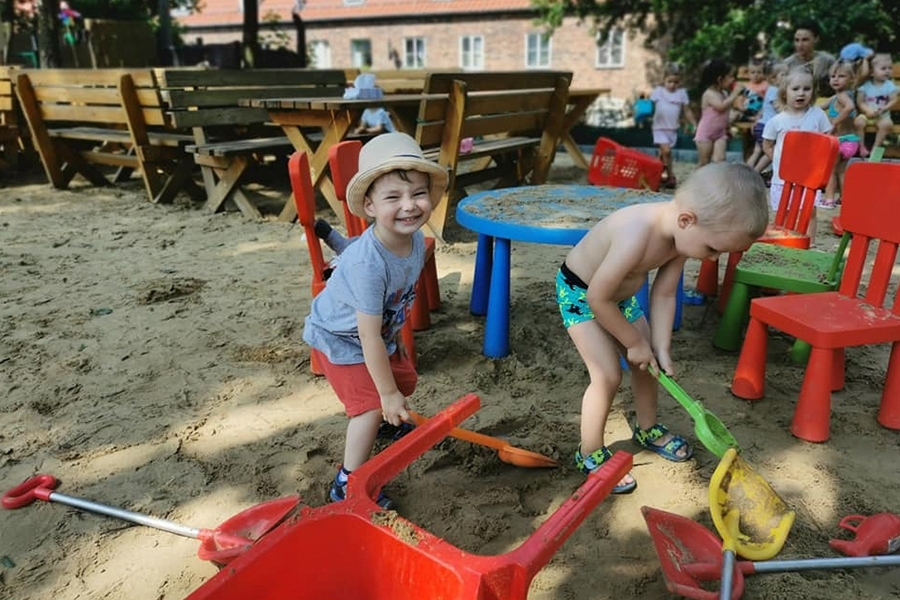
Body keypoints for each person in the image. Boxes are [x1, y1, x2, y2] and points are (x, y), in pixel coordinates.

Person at [556, 162, 769, 493]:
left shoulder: (684, 237)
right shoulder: (637, 232)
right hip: (582, 294)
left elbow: (665, 293)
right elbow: (598, 298)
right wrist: (634, 343)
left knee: (649, 364)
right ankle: (590, 454)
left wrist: (660, 346)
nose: (711, 259)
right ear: (687, 220)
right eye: (712, 249)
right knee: (608, 374)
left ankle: (648, 427)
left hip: (618, 298)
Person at [302, 132, 448, 510]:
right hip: (341, 337)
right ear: (369, 206)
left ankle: (386, 421)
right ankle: (347, 482)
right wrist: (383, 395)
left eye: (418, 193)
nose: (409, 207)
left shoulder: (414, 240)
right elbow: (366, 336)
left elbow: (391, 302)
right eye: (393, 197)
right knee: (369, 405)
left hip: (376, 332)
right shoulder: (369, 263)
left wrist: (394, 344)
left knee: (404, 381)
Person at [762, 67, 832, 242]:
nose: (801, 93)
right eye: (795, 89)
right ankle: (786, 243)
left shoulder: (818, 115)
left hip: (810, 178)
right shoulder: (777, 121)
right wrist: (779, 162)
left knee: (809, 213)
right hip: (782, 179)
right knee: (784, 213)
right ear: (785, 92)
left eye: (806, 89)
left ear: (813, 91)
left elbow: (827, 140)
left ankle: (809, 244)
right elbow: (767, 145)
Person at [649, 62, 696, 188]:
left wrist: (693, 123)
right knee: (667, 151)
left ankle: (657, 174)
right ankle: (671, 176)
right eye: (669, 81)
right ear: (664, 80)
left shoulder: (681, 93)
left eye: (676, 82)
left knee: (664, 154)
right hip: (659, 128)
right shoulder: (658, 92)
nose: (672, 85)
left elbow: (686, 110)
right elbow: (650, 106)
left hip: (672, 129)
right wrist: (645, 114)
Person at [823, 59, 862, 206]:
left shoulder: (841, 96)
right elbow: (819, 108)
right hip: (851, 142)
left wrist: (834, 122)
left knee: (831, 171)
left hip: (839, 142)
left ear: (851, 79)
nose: (835, 79)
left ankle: (829, 199)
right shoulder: (839, 96)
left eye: (841, 76)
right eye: (833, 76)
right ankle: (845, 199)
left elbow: (850, 107)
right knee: (841, 172)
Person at [694, 58, 744, 167]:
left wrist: (728, 126)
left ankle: (716, 181)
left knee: (720, 160)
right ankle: (697, 182)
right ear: (719, 79)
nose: (733, 80)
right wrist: (734, 94)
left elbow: (725, 113)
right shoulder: (709, 94)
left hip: (720, 134)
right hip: (705, 134)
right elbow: (721, 107)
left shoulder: (724, 93)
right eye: (730, 76)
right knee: (704, 162)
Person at [747, 62, 788, 176]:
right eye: (784, 75)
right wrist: (790, 112)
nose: (787, 78)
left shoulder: (770, 89)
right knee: (771, 152)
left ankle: (747, 172)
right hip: (766, 128)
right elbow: (778, 107)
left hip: (761, 125)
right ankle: (755, 173)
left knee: (757, 152)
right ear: (774, 78)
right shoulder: (775, 91)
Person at [855, 53, 898, 158]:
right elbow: (860, 101)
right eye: (883, 68)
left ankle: (875, 149)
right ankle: (862, 147)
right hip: (867, 114)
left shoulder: (890, 86)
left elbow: (894, 100)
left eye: (890, 68)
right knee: (858, 122)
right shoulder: (865, 87)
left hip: (882, 116)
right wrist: (867, 110)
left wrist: (885, 108)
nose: (888, 71)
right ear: (872, 72)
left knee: (886, 125)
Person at [783, 21, 836, 97]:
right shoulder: (787, 64)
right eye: (797, 40)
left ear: (816, 39)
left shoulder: (828, 61)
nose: (800, 45)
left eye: (805, 40)